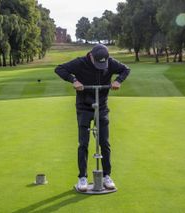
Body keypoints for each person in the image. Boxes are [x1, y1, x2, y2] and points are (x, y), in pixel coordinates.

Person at [55, 44, 130, 192]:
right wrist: (74, 80)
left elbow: (126, 69)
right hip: (84, 106)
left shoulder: (110, 62)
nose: (101, 66)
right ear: (91, 56)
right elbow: (59, 69)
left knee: (104, 142)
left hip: (101, 106)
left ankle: (106, 176)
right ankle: (82, 177)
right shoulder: (80, 62)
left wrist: (118, 81)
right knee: (83, 143)